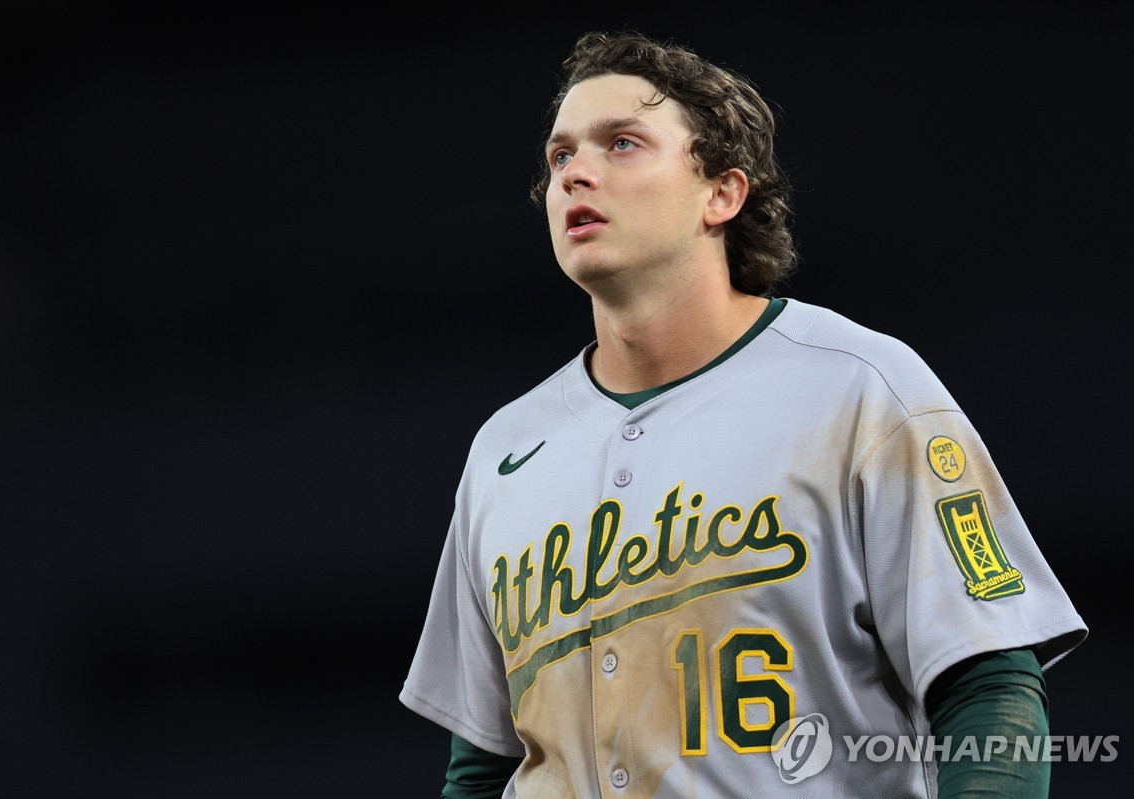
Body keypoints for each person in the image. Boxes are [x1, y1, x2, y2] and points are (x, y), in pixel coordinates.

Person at [399, 29, 1087, 798]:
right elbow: (483, 765)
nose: (575, 174)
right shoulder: (505, 450)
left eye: (622, 143)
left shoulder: (859, 388)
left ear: (722, 194)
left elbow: (989, 686)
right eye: (560, 156)